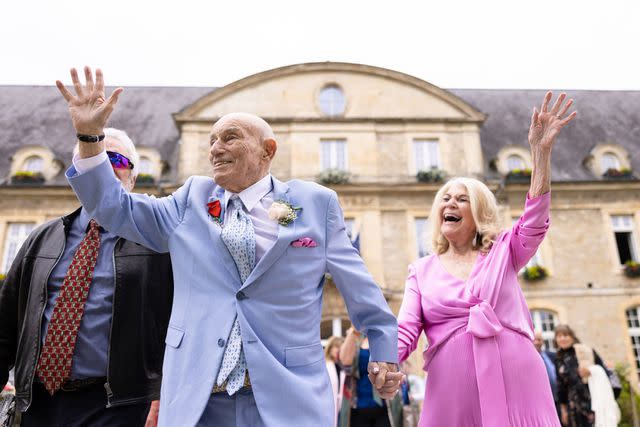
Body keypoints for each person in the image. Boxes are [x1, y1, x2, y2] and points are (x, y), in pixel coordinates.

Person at [56, 66, 401, 427]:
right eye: (212, 141)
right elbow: (114, 208)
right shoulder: (190, 199)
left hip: (287, 400)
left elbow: (358, 285)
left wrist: (383, 348)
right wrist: (89, 136)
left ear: (268, 150)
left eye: (230, 138)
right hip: (199, 401)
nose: (216, 149)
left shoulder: (316, 203)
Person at [397, 92, 576, 426]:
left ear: (478, 211)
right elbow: (406, 330)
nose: (449, 203)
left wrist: (541, 153)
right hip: (451, 393)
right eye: (444, 199)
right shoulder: (420, 271)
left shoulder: (504, 250)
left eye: (461, 199)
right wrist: (386, 362)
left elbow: (535, 222)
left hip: (518, 379)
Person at [0, 128, 173, 427]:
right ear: (77, 173)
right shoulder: (41, 238)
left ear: (133, 177)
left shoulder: (158, 242)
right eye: (94, 158)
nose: (103, 167)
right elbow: (5, 328)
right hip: (37, 403)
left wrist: (160, 397)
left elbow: (175, 327)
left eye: (115, 159)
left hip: (117, 406)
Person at [554, 325, 620, 427]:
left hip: (591, 401)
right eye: (559, 336)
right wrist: (563, 410)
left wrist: (592, 371)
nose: (562, 338)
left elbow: (605, 370)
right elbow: (561, 386)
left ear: (572, 337)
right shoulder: (558, 358)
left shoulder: (585, 351)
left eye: (565, 335)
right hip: (572, 407)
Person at [339, 327, 402, 427]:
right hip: (358, 405)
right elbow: (345, 361)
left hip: (385, 404)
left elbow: (396, 365)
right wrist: (352, 331)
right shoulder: (356, 338)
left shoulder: (384, 336)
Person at [535, 330, 561, 419]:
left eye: (539, 340)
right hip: (541, 405)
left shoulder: (551, 355)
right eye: (534, 340)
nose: (537, 342)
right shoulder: (525, 359)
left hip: (558, 400)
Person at [325, 336, 345, 426]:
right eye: (336, 347)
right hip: (327, 406)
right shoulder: (324, 366)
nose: (339, 350)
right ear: (330, 348)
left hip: (342, 408)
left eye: (341, 347)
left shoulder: (345, 367)